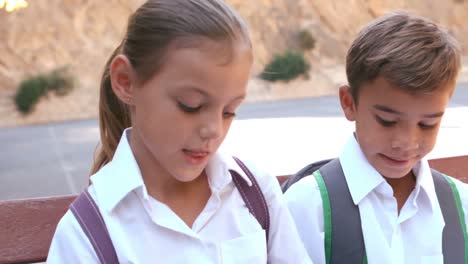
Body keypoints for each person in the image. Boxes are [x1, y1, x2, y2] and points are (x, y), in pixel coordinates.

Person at [47, 0, 311, 263]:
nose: (214, 130)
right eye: (191, 106)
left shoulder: (256, 193)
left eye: (229, 111)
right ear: (125, 82)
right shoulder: (86, 234)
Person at [284, 11, 467, 264]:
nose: (407, 142)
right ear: (349, 103)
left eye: (428, 124)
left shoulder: (463, 205)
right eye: (387, 121)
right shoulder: (306, 207)